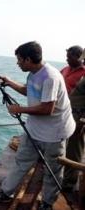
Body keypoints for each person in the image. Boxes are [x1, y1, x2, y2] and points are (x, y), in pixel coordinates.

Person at [0, 41, 75, 210]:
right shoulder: (34, 73)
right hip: (34, 129)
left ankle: (47, 203)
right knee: (21, 161)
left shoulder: (50, 77)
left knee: (52, 170)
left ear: (28, 59)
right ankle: (6, 192)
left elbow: (47, 108)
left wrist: (19, 109)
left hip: (55, 133)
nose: (18, 63)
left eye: (19, 60)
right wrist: (9, 82)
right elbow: (30, 90)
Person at [63, 45, 85, 190]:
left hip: (79, 116)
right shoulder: (65, 69)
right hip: (67, 113)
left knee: (74, 148)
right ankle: (64, 175)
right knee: (65, 144)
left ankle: (70, 182)